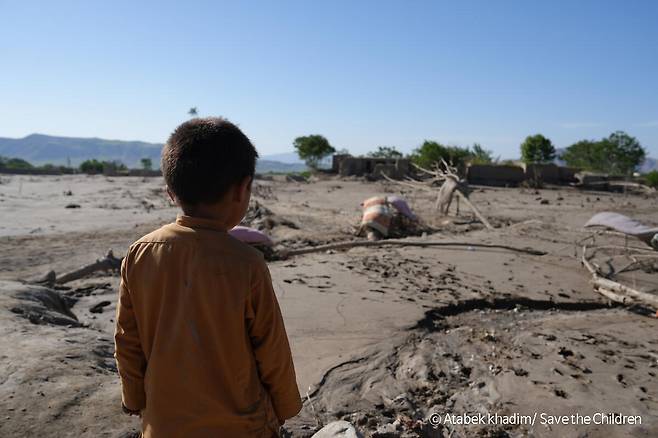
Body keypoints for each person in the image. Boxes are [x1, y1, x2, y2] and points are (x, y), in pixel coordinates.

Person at [114, 117, 302, 437]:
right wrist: (286, 407)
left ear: (170, 192)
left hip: (164, 424)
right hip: (242, 426)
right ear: (243, 189)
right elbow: (272, 351)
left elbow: (127, 341)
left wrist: (134, 398)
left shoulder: (140, 254)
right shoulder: (248, 263)